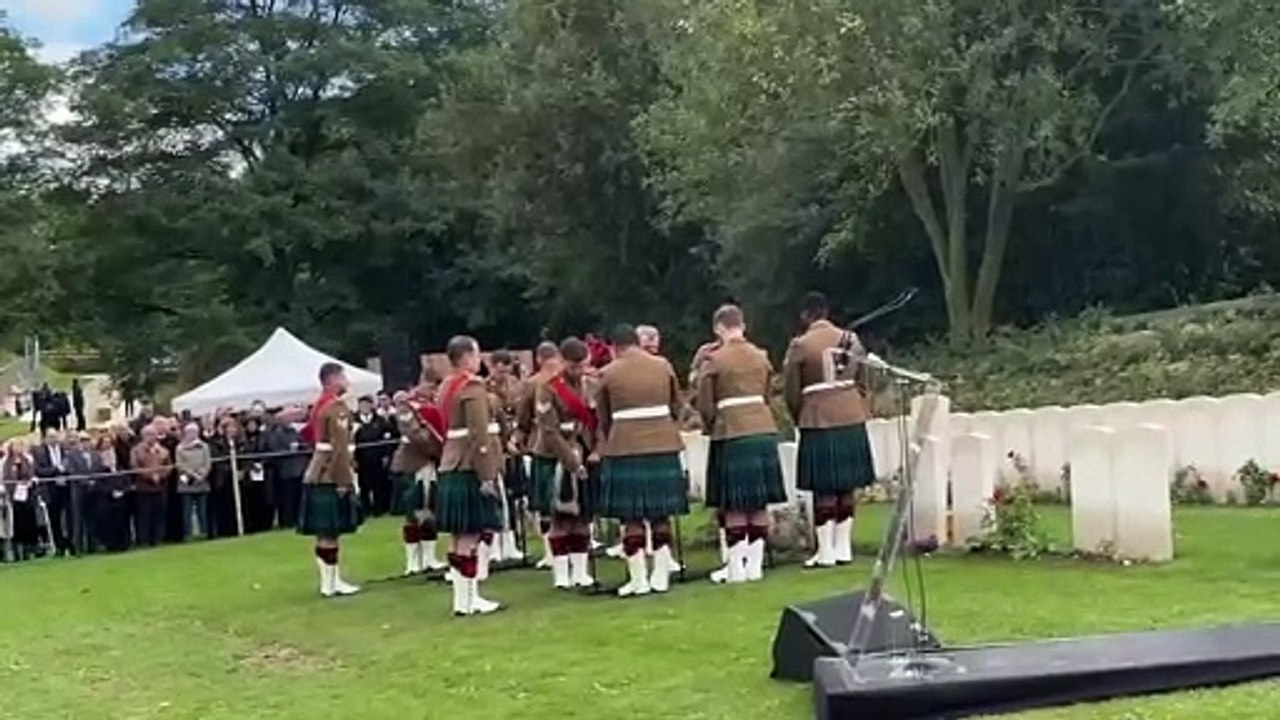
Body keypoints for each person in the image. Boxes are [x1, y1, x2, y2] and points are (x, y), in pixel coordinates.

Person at [595, 324, 688, 597]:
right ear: (636, 341)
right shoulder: (663, 365)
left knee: (631, 516)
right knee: (661, 513)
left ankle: (638, 579)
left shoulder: (608, 373)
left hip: (625, 447)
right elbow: (677, 405)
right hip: (663, 445)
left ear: (614, 347)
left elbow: (603, 416)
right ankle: (661, 575)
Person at [784, 291, 876, 567]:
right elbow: (864, 377)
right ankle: (843, 546)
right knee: (846, 484)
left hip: (818, 417)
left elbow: (791, 390)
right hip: (851, 415)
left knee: (823, 486)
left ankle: (826, 551)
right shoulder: (851, 339)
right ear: (826, 311)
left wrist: (799, 415)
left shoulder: (799, 345)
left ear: (805, 316)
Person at [696, 305, 787, 584]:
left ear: (718, 329)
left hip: (731, 431)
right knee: (758, 501)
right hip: (763, 428)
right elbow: (767, 393)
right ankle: (755, 566)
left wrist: (713, 427)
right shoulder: (761, 357)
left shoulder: (714, 359)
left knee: (735, 502)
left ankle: (736, 568)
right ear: (743, 326)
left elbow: (705, 403)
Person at [435, 336, 504, 616]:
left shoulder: (445, 386)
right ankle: (469, 600)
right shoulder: (472, 387)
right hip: (469, 465)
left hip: (450, 462)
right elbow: (480, 434)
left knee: (458, 536)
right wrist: (487, 474)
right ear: (466, 357)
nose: (479, 361)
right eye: (477, 355)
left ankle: (462, 600)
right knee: (470, 536)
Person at [534, 337, 599, 589]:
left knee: (583, 516)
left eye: (584, 366)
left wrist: (596, 450)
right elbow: (549, 431)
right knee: (559, 517)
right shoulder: (548, 388)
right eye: (575, 367)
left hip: (585, 451)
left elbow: (600, 421)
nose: (580, 371)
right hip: (555, 457)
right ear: (563, 362)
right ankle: (561, 575)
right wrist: (572, 463)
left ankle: (581, 572)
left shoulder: (592, 384)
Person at [297, 362, 363, 598]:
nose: (347, 382)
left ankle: (329, 581)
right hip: (330, 475)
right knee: (330, 531)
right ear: (333, 379)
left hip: (317, 471)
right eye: (344, 377)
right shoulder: (336, 408)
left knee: (324, 532)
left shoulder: (318, 405)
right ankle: (332, 583)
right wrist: (344, 480)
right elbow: (339, 449)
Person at [389, 390, 448, 575]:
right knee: (413, 512)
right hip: (413, 465)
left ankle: (429, 558)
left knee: (428, 510)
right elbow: (417, 437)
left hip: (426, 465)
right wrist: (438, 449)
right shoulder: (405, 410)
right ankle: (413, 562)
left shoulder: (424, 409)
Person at [518, 342, 561, 569]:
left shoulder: (532, 383)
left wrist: (520, 437)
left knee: (546, 503)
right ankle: (579, 546)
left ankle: (550, 552)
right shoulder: (569, 378)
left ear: (538, 359)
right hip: (571, 445)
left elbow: (523, 416)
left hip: (541, 444)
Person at [486, 350, 526, 563]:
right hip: (499, 444)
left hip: (516, 442)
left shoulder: (518, 385)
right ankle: (494, 544)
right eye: (498, 368)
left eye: (506, 368)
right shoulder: (484, 388)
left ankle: (511, 542)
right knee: (498, 496)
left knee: (514, 497)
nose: (502, 373)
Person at [353, 395, 395, 516]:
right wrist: (353, 459)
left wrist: (386, 455)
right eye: (362, 405)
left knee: (379, 484)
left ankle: (379, 509)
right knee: (363, 485)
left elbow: (387, 438)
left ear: (371, 405)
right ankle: (366, 510)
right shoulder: (354, 421)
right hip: (361, 459)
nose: (364, 407)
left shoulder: (380, 421)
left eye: (367, 404)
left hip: (377, 458)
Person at [130, 424, 171, 548]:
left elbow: (169, 466)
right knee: (144, 516)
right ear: (143, 436)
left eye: (153, 434)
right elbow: (134, 467)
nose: (151, 437)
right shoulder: (136, 450)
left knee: (159, 514)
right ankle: (144, 541)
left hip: (160, 487)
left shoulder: (163, 451)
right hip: (144, 488)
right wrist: (150, 475)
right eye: (148, 434)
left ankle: (158, 539)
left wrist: (161, 475)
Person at [31, 429, 71, 555]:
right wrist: (56, 469)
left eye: (55, 436)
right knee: (54, 519)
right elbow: (39, 471)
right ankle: (59, 546)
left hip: (66, 487)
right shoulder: (39, 452)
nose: (53, 439)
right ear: (45, 438)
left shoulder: (64, 450)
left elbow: (70, 465)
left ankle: (71, 544)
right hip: (51, 490)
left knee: (68, 518)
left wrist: (64, 469)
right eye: (50, 437)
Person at [175, 422, 213, 540]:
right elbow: (180, 465)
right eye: (189, 432)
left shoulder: (204, 446)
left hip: (202, 481)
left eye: (194, 432)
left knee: (202, 510)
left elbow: (208, 463)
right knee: (187, 511)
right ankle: (188, 534)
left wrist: (202, 475)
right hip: (186, 482)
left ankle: (204, 532)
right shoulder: (180, 448)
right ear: (185, 433)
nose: (192, 434)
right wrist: (192, 474)